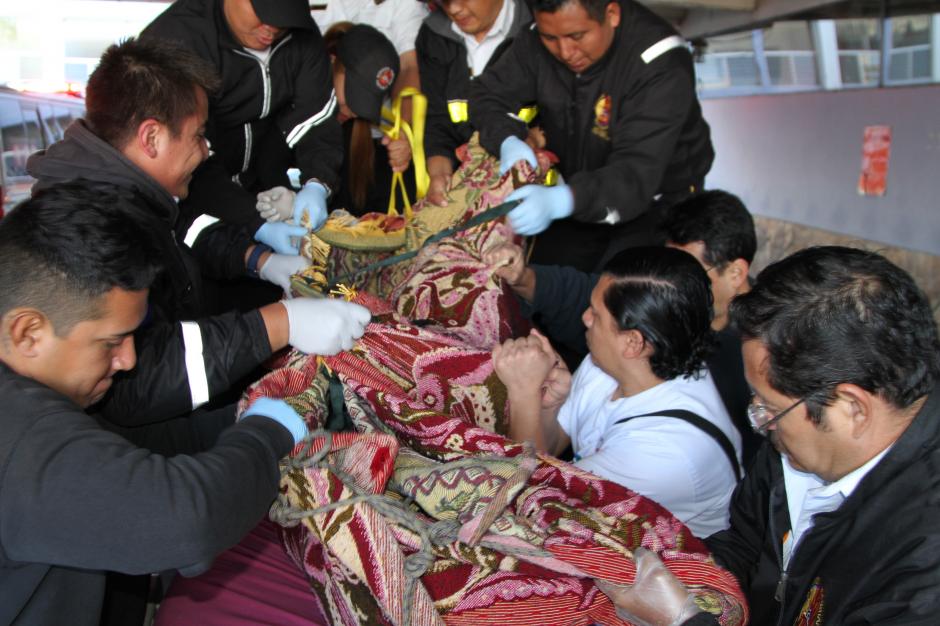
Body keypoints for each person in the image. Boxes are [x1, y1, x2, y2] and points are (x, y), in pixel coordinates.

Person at [27, 37, 369, 446]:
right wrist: (280, 325)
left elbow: (185, 234)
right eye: (198, 135)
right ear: (151, 137)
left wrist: (257, 258)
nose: (207, 151)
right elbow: (134, 380)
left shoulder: (130, 193)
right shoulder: (84, 224)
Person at [0, 182, 309, 626]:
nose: (127, 360)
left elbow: (127, 445)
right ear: (28, 333)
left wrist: (243, 412)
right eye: (111, 342)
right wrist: (267, 435)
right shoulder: (17, 436)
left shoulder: (46, 393)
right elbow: (185, 520)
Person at [598, 246, 940, 625]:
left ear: (852, 409)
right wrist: (680, 574)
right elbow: (746, 547)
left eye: (771, 408)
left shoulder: (923, 568)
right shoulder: (793, 444)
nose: (759, 422)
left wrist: (684, 620)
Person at [485, 190, 761, 465]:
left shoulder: (664, 448)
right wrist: (523, 278)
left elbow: (537, 492)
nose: (672, 278)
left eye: (689, 269)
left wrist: (523, 391)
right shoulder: (610, 355)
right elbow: (583, 292)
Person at [492, 247, 741, 537]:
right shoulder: (613, 364)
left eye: (596, 315)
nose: (584, 318)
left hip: (665, 564)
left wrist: (523, 391)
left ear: (634, 343)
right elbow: (553, 448)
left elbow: (529, 499)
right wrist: (547, 404)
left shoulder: (665, 451)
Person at [470, 0, 713, 272]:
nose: (565, 52)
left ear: (612, 14)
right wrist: (506, 139)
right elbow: (485, 95)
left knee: (622, 296)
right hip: (577, 187)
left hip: (655, 199)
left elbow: (635, 173)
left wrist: (564, 200)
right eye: (550, 38)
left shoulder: (660, 61)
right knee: (545, 286)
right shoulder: (535, 39)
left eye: (577, 36)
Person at [141, 0, 344, 255]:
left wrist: (317, 183)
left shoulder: (300, 35)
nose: (273, 27)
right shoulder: (177, 39)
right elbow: (185, 157)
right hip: (199, 204)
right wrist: (254, 222)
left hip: (265, 195)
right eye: (263, 13)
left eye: (285, 17)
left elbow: (316, 119)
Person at [255, 23, 411, 218]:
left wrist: (401, 152)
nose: (353, 111)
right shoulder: (282, 100)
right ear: (332, 60)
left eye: (365, 103)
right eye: (353, 97)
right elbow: (265, 165)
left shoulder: (353, 131)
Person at [417, 0, 533, 206]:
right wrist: (439, 174)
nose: (454, 9)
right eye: (444, 2)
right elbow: (436, 120)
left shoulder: (537, 29)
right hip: (465, 191)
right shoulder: (434, 35)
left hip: (530, 190)